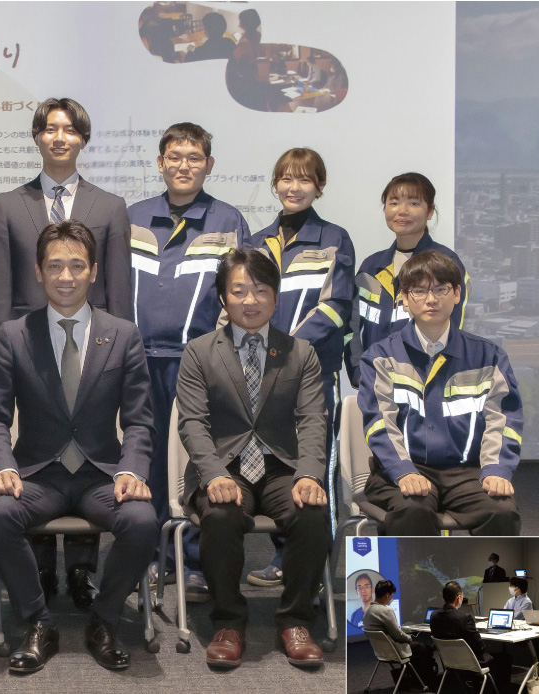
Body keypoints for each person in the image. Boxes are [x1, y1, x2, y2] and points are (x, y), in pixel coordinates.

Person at [0, 220, 158, 673]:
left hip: (102, 475)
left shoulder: (123, 334)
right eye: (55, 266)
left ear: (94, 271)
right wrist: (2, 466)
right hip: (38, 475)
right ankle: (39, 622)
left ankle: (104, 621)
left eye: (77, 266)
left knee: (142, 521)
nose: (66, 276)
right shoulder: (13, 335)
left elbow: (139, 419)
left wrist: (132, 470)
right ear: (38, 272)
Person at [0, 98, 132, 602]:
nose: (60, 137)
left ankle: (83, 571)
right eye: (50, 129)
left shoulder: (109, 206)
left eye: (70, 130)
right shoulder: (7, 205)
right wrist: (4, 352)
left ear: (83, 139)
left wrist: (116, 352)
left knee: (88, 447)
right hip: (29, 350)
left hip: (92, 348)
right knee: (40, 452)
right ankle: (40, 571)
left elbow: (117, 290)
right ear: (37, 137)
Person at [176, 248, 330, 669]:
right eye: (239, 290)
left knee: (313, 514)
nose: (250, 300)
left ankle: (296, 620)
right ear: (223, 298)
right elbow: (192, 422)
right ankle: (228, 622)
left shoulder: (300, 352)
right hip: (224, 466)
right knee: (221, 515)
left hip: (281, 467)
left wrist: (310, 474)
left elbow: (313, 419)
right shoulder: (199, 352)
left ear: (276, 298)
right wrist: (212, 475)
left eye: (261, 290)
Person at [127, 122, 249, 598]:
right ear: (160, 163)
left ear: (209, 165)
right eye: (174, 157)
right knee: (146, 459)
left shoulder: (227, 221)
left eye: (194, 157)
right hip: (138, 361)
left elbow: (238, 294)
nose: (183, 166)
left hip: (199, 364)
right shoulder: (133, 218)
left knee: (200, 459)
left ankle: (195, 560)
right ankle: (151, 555)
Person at [247, 147, 355, 586]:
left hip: (313, 375)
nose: (294, 187)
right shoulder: (256, 243)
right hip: (259, 377)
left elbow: (336, 308)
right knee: (276, 466)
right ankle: (283, 556)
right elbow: (241, 303)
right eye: (286, 178)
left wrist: (285, 350)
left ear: (319, 187)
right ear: (275, 184)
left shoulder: (334, 239)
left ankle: (316, 568)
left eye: (305, 179)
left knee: (315, 468)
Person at [359, 251, 522, 536]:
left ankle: (486, 569)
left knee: (502, 512)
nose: (431, 299)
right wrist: (402, 470)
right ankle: (413, 569)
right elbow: (379, 423)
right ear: (404, 298)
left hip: (467, 472)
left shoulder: (489, 356)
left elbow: (504, 420)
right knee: (412, 510)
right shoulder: (381, 357)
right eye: (419, 291)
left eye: (440, 289)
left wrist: (496, 469)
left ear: (457, 294)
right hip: (401, 468)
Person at [348, 172, 469, 386]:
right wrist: (359, 373)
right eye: (394, 203)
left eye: (413, 203)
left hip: (424, 388)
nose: (402, 211)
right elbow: (352, 328)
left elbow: (450, 333)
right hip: (374, 385)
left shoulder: (446, 264)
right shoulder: (371, 268)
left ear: (430, 211)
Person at [430, 580, 512, 693]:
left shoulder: (434, 616)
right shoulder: (465, 617)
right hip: (470, 663)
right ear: (459, 598)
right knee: (505, 658)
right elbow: (479, 647)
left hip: (449, 662)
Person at [363, 580, 437, 688]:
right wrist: (408, 638)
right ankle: (423, 681)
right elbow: (398, 635)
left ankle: (413, 678)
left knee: (418, 648)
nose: (391, 598)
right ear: (387, 595)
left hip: (381, 652)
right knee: (424, 648)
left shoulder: (368, 610)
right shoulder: (386, 611)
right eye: (392, 595)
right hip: (395, 650)